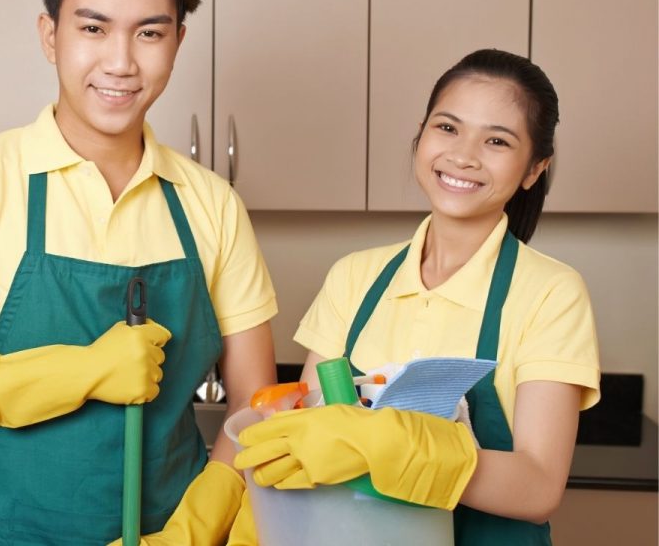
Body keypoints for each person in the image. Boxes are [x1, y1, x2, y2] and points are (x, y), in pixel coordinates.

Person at [0, 0, 277, 545]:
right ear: (50, 35)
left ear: (179, 41)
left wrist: (201, 520)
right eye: (93, 27)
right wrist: (76, 372)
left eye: (149, 33)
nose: (121, 61)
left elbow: (256, 402)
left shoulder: (211, 205)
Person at [233, 49, 600, 545]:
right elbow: (307, 437)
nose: (463, 155)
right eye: (447, 128)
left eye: (496, 140)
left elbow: (537, 489)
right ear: (421, 134)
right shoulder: (354, 278)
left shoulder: (551, 294)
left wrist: (386, 445)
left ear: (534, 169)